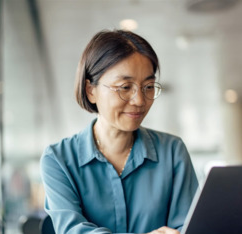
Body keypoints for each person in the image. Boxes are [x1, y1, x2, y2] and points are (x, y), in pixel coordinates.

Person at [40, 29, 199, 234]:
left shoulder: (172, 151)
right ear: (91, 90)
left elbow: (188, 227)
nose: (140, 101)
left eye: (148, 86)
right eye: (125, 87)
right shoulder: (59, 159)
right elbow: (73, 230)